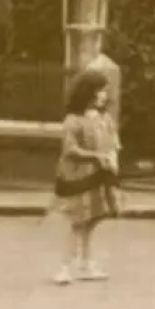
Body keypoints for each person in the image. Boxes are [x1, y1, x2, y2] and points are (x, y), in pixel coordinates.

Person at [51, 68, 122, 284]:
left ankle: (86, 264)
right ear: (89, 92)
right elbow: (70, 149)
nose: (104, 95)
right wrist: (97, 156)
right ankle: (64, 267)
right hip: (78, 177)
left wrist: (112, 159)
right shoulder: (74, 120)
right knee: (78, 222)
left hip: (99, 175)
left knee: (91, 221)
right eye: (100, 90)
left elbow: (114, 144)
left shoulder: (105, 119)